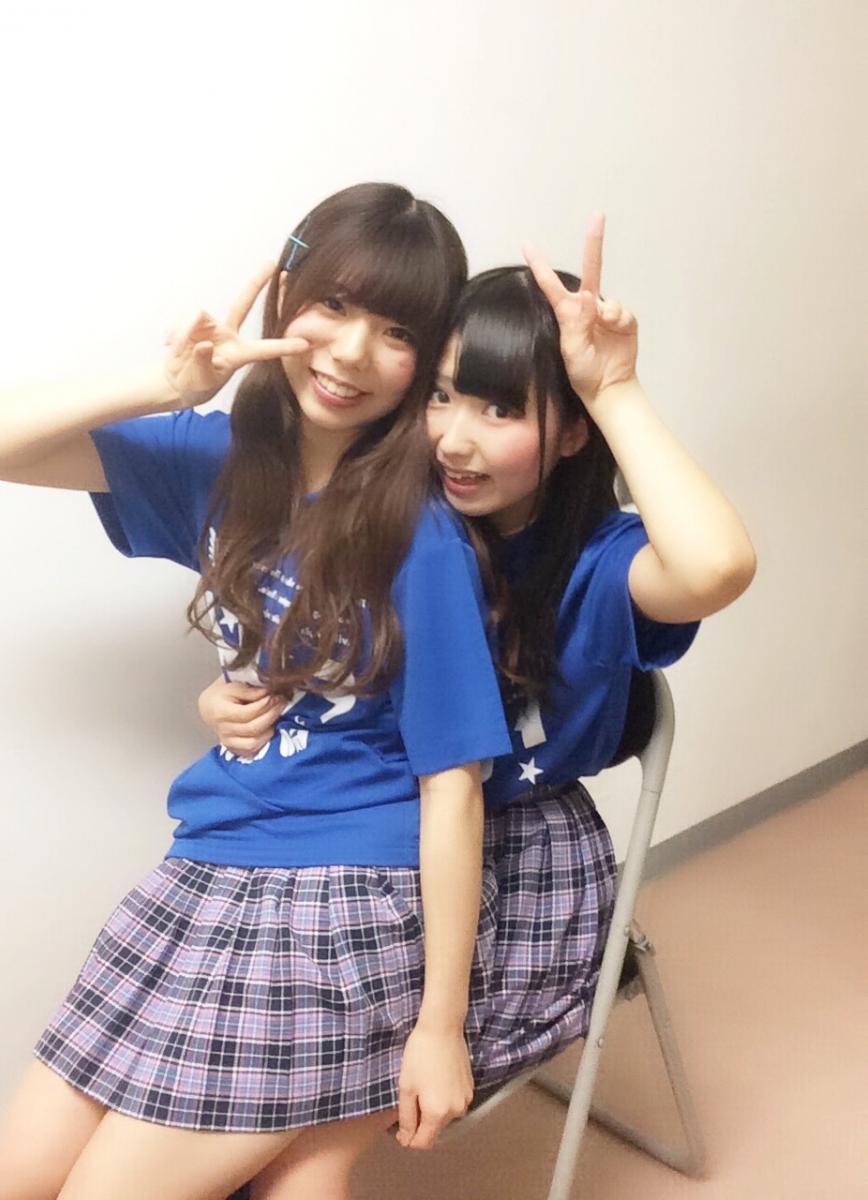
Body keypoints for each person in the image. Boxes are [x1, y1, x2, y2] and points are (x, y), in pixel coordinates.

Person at [0, 182, 516, 1200]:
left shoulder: (421, 538)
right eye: (334, 307)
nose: (352, 352)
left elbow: (453, 787)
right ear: (286, 299)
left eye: (398, 332)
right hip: (210, 864)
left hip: (348, 890)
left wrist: (440, 1027)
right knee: (10, 1184)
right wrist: (162, 383)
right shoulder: (218, 461)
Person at [196, 214, 756, 1198]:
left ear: (570, 430)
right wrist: (226, 696)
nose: (454, 437)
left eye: (500, 409)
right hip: (367, 842)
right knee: (228, 1106)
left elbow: (715, 566)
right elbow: (313, 666)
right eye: (442, 395)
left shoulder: (600, 565)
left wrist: (613, 388)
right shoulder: (391, 518)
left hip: (516, 863)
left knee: (291, 1156)